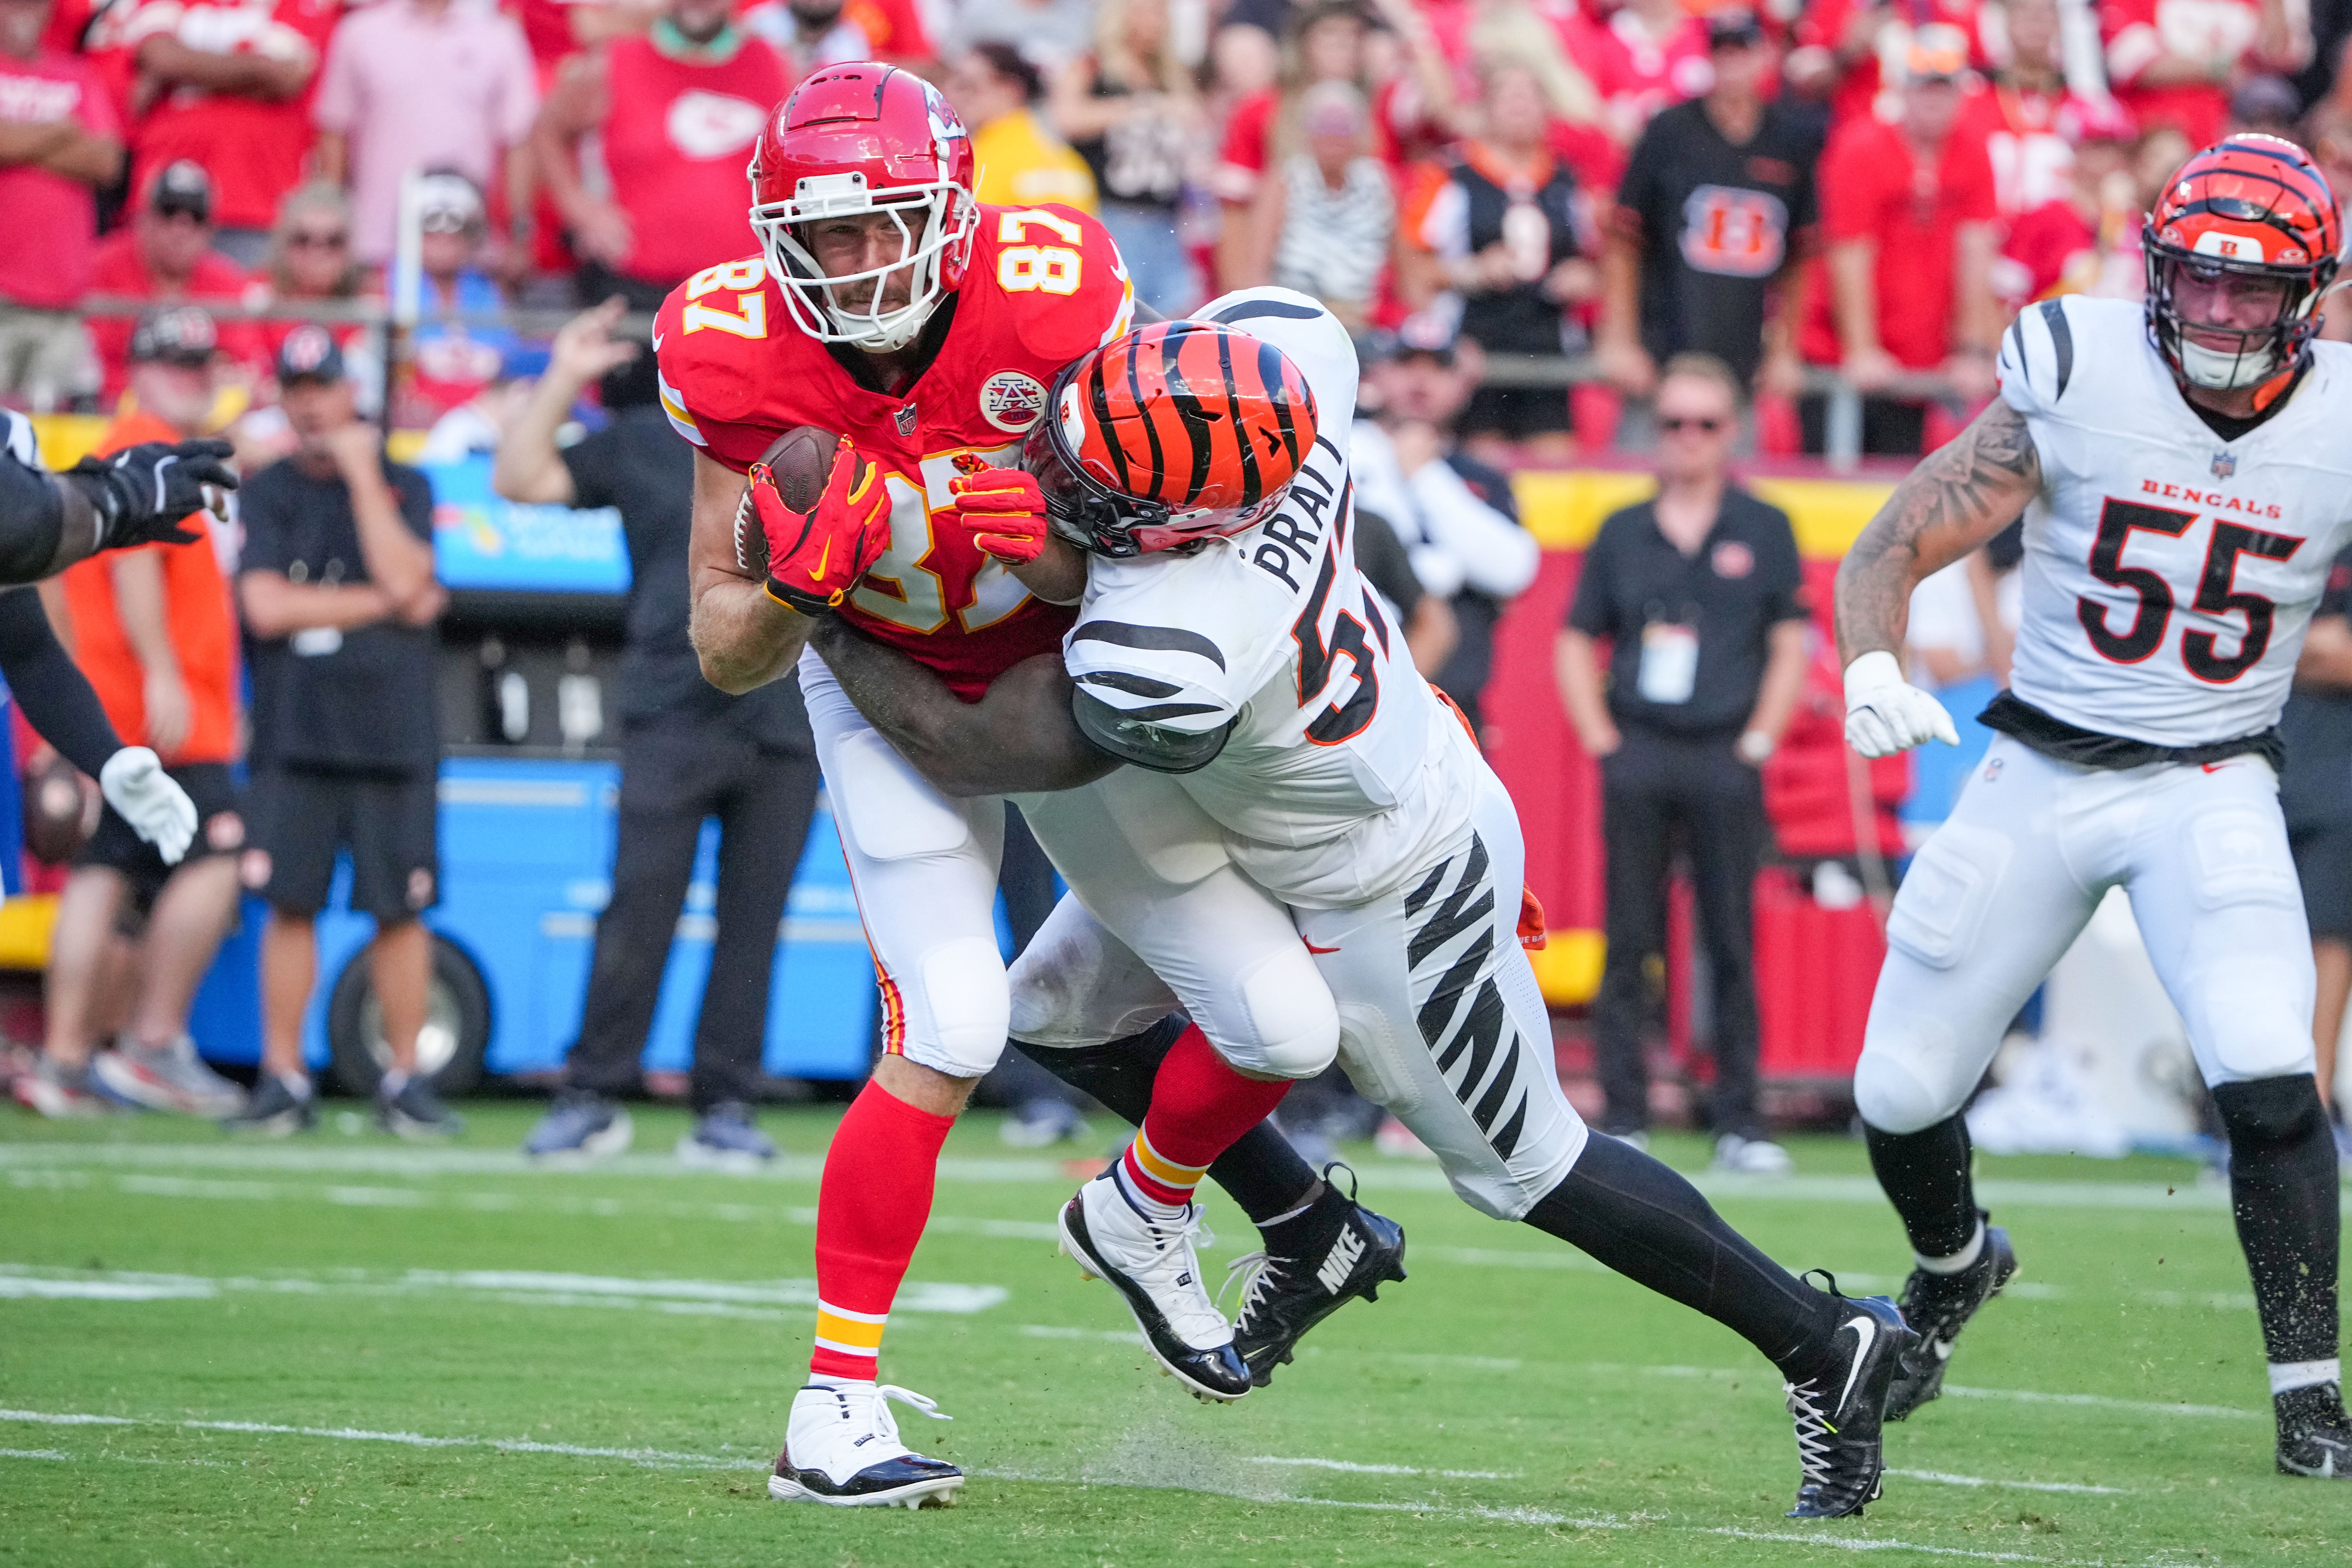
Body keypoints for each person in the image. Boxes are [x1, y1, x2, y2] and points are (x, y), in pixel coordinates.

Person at [807, 290, 1920, 1521]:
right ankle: (1297, 1223)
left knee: (1527, 1165)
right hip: (1312, 799)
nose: (1053, 471)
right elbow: (1257, 339)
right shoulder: (1286, 379)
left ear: (1177, 525)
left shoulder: (1164, 641)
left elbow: (999, 746)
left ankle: (1822, 1341)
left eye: (1090, 481)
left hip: (1383, 875)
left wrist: (844, 609)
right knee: (1058, 1014)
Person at [660, 64, 1403, 1507]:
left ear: (947, 209)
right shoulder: (729, 344)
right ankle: (836, 1401)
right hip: (881, 690)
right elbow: (719, 645)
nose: (858, 262)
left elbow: (1155, 546)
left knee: (1280, 1021)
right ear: (776, 240)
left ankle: (1140, 1208)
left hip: (1060, 691)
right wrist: (799, 592)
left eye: (883, 227)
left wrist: (1051, 550)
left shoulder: (1053, 290)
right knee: (950, 1012)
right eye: (825, 237)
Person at [1832, 134, 2352, 1478]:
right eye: (2200, 283)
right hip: (2041, 766)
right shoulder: (2078, 364)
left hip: (2209, 780)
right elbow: (1896, 534)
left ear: (2312, 294)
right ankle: (1955, 1262)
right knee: (1896, 1088)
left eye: (2257, 292)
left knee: (2267, 1068)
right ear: (2156, 274)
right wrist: (1873, 658)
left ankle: (2309, 1392)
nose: (2225, 316)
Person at [499, 300, 821, 1166]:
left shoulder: (816, 432)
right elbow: (519, 478)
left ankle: (725, 1104)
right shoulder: (650, 438)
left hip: (787, 712)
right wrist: (565, 375)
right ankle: (592, 1091)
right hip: (673, 707)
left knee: (755, 921)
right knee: (638, 910)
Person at [1556, 352, 1808, 1172]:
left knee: (1729, 937)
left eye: (1703, 424)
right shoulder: (1622, 530)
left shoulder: (1763, 527)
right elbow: (1572, 637)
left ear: (1729, 432)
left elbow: (1788, 640)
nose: (1687, 439)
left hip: (1723, 750)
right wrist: (1602, 737)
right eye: (1672, 423)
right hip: (1640, 745)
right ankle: (1624, 1110)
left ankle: (1739, 1118)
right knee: (1627, 937)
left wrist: (1760, 739)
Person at [227, 328, 455, 1140]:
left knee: (402, 910)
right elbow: (267, 608)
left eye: (322, 385)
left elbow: (410, 579)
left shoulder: (405, 483)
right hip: (297, 733)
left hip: (396, 737)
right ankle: (284, 1077)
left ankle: (404, 1076)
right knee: (291, 905)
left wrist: (364, 476)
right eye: (295, 388)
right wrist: (385, 604)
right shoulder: (270, 490)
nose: (310, 402)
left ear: (351, 392)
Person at [42, 307, 247, 1121]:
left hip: (122, 702)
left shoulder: (137, 436)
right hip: (160, 708)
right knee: (221, 852)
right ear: (139, 364)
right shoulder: (146, 442)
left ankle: (64, 1058)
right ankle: (151, 1043)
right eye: (179, 360)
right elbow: (136, 564)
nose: (195, 373)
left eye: (203, 361)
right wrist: (162, 672)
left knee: (102, 872)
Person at [1798, 27, 2000, 458]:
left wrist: (1969, 349)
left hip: (1915, 362)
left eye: (1943, 88)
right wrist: (1861, 349)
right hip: (1837, 353)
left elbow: (1976, 252)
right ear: (1903, 90)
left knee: (1895, 484)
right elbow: (1848, 250)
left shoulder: (1972, 152)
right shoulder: (1861, 147)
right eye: (1923, 86)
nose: (1933, 99)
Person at [1599, 8, 1817, 406]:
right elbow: (1624, 239)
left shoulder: (1791, 142)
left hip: (1744, 353)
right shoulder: (1669, 131)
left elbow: (1800, 258)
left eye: (1742, 52)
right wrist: (1620, 340)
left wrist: (1785, 350)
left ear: (1764, 57)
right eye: (1722, 53)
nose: (1731, 64)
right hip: (1664, 345)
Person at [530, 0, 788, 313]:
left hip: (748, 290)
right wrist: (583, 211)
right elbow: (548, 131)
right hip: (638, 290)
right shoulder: (614, 62)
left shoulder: (775, 64)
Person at [1405, 60, 1597, 467]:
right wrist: (1472, 272)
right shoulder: (1449, 174)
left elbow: (1597, 259)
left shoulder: (1568, 181)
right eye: (1508, 96)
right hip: (1475, 341)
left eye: (1529, 97)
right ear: (1486, 106)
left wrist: (1582, 278)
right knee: (1483, 467)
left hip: (1547, 350)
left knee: (1555, 471)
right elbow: (1412, 270)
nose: (1519, 107)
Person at [1350, 324, 1539, 729]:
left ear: (1462, 384)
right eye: (1406, 364)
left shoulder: (1479, 478)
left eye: (1438, 367)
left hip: (1451, 708)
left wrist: (1424, 475)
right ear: (1376, 374)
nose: (1421, 380)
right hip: (1351, 697)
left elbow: (1512, 570)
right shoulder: (1339, 454)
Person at [310, 0, 539, 269]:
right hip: (375, 249)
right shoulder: (360, 32)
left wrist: (519, 237)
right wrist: (331, 231)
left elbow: (519, 143)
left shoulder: (499, 36)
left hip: (467, 252)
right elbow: (335, 134)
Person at [118, 0, 338, 266]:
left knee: (247, 303)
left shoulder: (301, 5)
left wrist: (181, 68)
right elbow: (159, 57)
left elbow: (286, 77)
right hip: (163, 206)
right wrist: (253, 72)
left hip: (257, 208)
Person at [0, 0, 121, 411]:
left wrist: (19, 144)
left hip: (61, 294)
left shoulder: (76, 75)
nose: (24, 11)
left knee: (50, 442)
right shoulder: (65, 107)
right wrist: (61, 131)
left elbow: (106, 161)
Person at [1049, 0, 1203, 317]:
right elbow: (1065, 119)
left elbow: (1197, 125)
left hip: (1166, 216)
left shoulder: (1170, 72)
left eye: (1163, 13)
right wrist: (1137, 108)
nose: (1159, 21)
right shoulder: (1092, 66)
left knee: (1175, 315)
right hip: (1112, 211)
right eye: (1150, 10)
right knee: (1124, 314)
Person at [2280, 546, 2352, 1155]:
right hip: (2256, 757)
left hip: (2338, 767)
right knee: (2241, 936)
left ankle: (2316, 1107)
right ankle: (2237, 1112)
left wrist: (2267, 640)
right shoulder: (2293, 518)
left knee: (2326, 936)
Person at [86, 161, 265, 406]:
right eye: (169, 213)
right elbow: (91, 365)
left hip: (200, 417)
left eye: (196, 218)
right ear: (143, 218)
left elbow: (241, 369)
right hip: (114, 409)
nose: (181, 230)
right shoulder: (101, 268)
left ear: (211, 229)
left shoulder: (226, 281)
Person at [1246, 80, 1393, 333]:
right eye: (1324, 126)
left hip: (1362, 325)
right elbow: (1256, 269)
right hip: (1296, 325)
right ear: (1306, 131)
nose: (1333, 137)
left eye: (1342, 128)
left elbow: (1405, 270)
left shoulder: (1377, 184)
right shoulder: (1286, 182)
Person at [946, 42, 1098, 215]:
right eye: (950, 81)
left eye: (968, 86)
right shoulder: (1066, 159)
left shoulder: (987, 160)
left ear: (1010, 90)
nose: (951, 94)